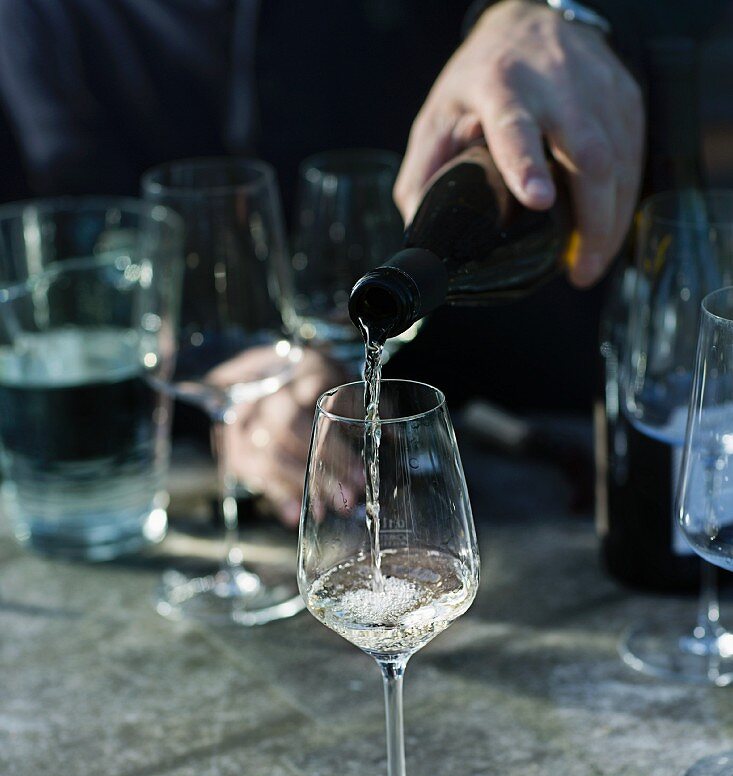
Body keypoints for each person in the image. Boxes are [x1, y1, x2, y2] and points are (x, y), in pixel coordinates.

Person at [0, 0, 727, 526]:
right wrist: (234, 392)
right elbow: (70, 267)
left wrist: (558, 11)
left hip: (561, 442)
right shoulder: (39, 23)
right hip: (199, 459)